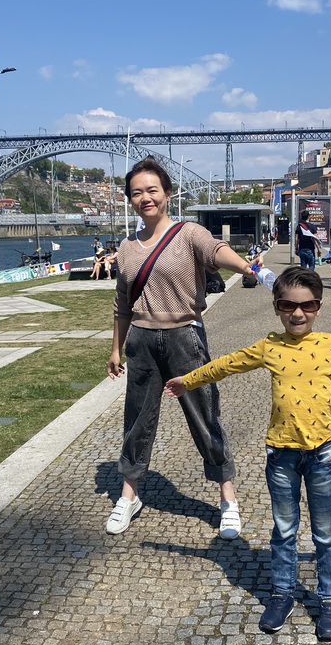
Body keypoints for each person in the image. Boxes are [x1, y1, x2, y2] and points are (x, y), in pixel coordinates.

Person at [163, 267, 331, 641]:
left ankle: (329, 600)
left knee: (326, 535)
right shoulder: (268, 347)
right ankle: (282, 593)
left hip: (323, 455)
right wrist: (186, 381)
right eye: (288, 304)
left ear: (319, 307)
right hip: (281, 457)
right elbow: (226, 364)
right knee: (284, 532)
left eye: (308, 305)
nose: (298, 313)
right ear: (276, 307)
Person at [105, 156, 258, 538]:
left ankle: (228, 499)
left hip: (185, 337)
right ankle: (129, 495)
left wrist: (242, 267)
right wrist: (115, 349)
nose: (145, 198)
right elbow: (122, 304)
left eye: (152, 190)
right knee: (137, 421)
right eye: (137, 192)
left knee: (206, 416)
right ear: (130, 200)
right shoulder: (126, 247)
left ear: (167, 193)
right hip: (141, 340)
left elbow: (215, 251)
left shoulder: (189, 233)